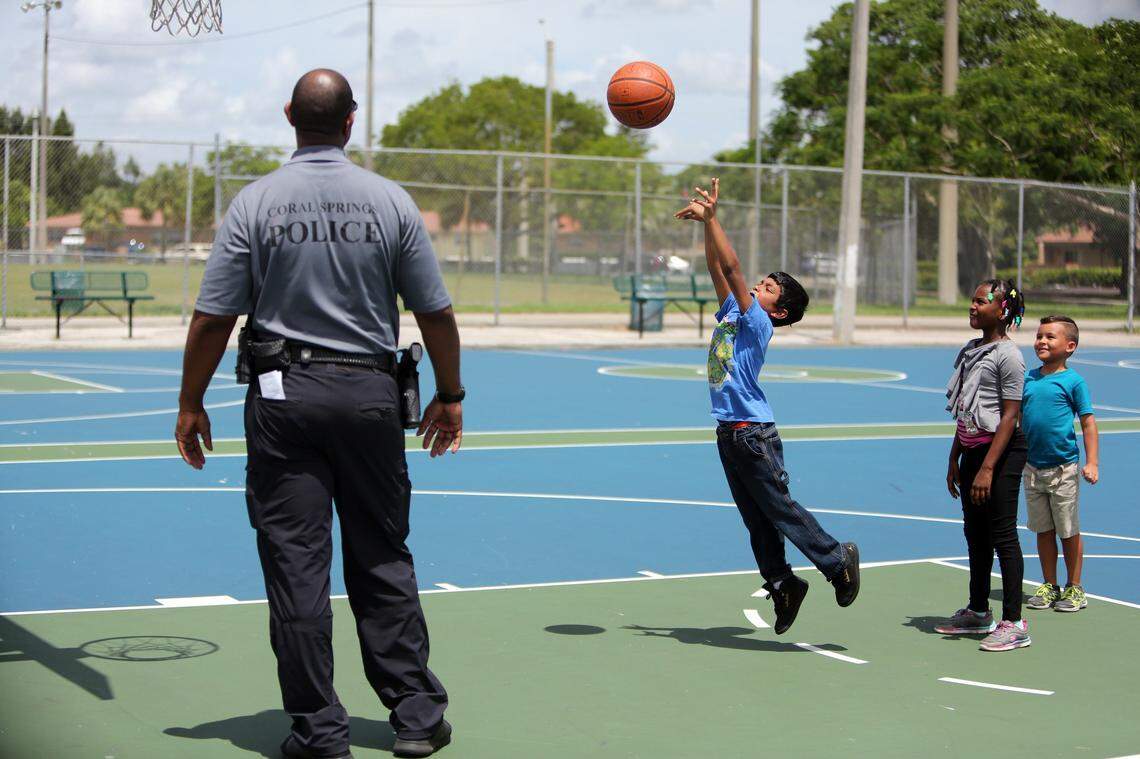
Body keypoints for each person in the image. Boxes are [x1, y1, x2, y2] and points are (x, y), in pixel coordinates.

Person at [175, 69, 459, 759]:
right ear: (351, 121)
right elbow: (436, 312)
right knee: (381, 552)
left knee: (297, 564)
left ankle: (319, 729)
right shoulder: (390, 202)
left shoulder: (255, 203)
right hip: (368, 396)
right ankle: (416, 714)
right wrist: (451, 394)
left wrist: (190, 402)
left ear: (288, 116)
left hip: (283, 396)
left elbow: (214, 316)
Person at [675, 178, 860, 635]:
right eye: (762, 282)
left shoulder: (756, 323)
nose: (760, 285)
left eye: (769, 287)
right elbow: (720, 270)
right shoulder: (734, 314)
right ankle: (782, 584)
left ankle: (836, 559)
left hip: (752, 433)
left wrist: (716, 218)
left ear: (778, 312)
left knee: (777, 508)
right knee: (756, 520)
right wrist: (705, 226)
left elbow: (733, 266)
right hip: (729, 432)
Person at [936, 279, 1029, 652]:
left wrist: (989, 468)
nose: (973, 306)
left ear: (1001, 310)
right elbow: (967, 410)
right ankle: (978, 612)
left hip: (1002, 453)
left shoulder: (1009, 356)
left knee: (1003, 534)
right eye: (972, 300)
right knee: (975, 534)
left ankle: (1014, 622)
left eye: (980, 301)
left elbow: (1009, 417)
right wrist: (954, 456)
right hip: (974, 450)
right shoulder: (972, 349)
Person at [1021, 315, 1098, 613]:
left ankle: (1075, 588)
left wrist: (1092, 463)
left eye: (1050, 336)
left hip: (1063, 467)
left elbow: (1089, 424)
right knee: (1042, 529)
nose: (1042, 340)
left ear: (1070, 346)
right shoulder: (1028, 378)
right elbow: (1017, 420)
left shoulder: (1074, 382)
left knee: (1067, 529)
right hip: (1032, 468)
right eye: (1039, 335)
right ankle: (1050, 584)